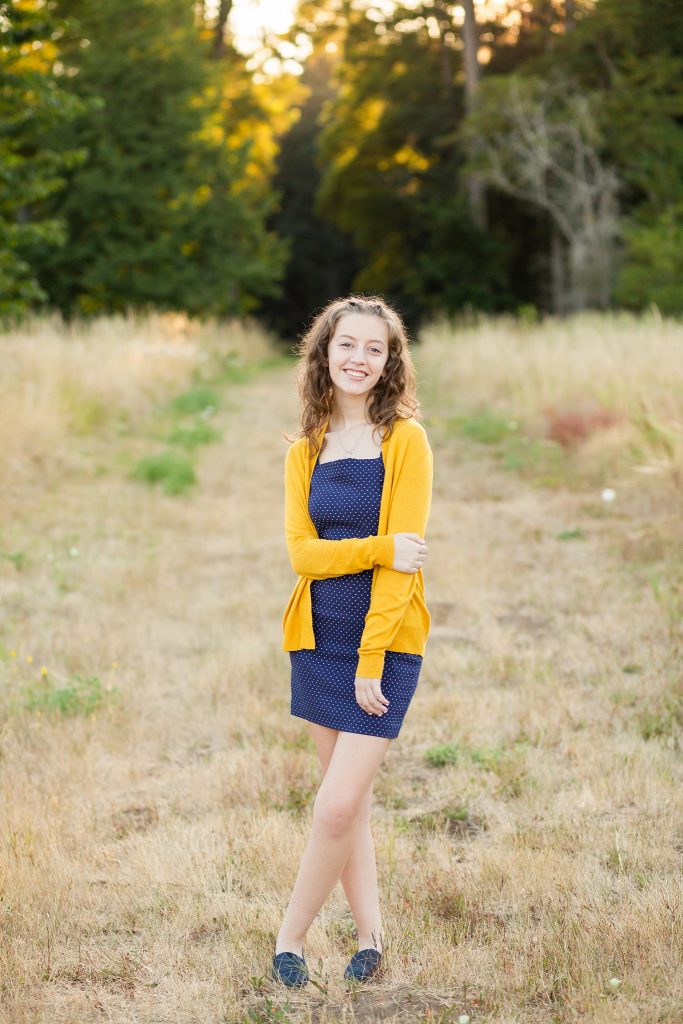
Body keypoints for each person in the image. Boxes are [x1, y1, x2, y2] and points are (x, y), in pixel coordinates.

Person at [274, 295, 433, 988]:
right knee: (351, 804)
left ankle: (289, 936)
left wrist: (372, 662)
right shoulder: (304, 449)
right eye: (347, 346)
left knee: (335, 804)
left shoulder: (404, 441)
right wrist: (378, 547)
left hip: (384, 647)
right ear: (324, 353)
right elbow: (303, 559)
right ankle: (370, 934)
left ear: (389, 361)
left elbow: (403, 573)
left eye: (374, 348)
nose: (359, 359)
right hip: (315, 639)